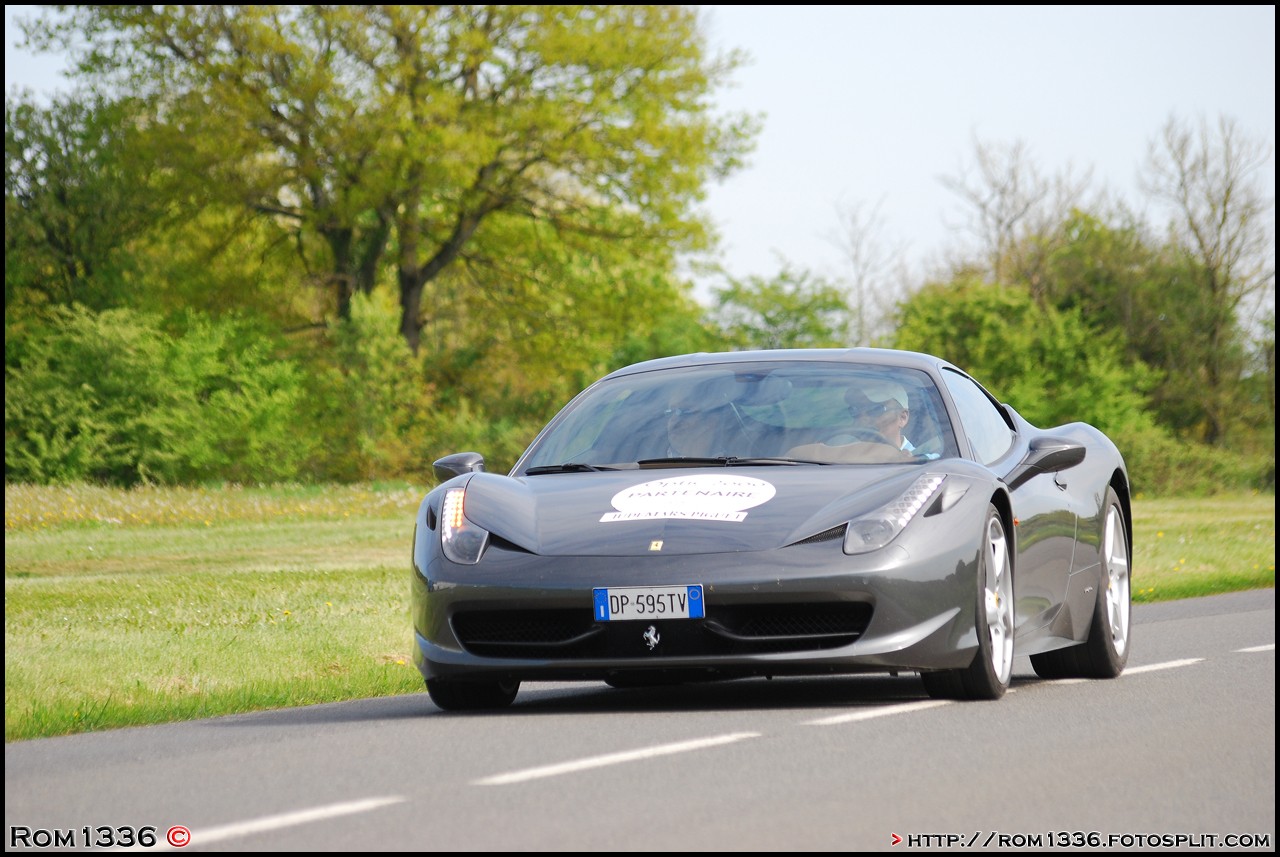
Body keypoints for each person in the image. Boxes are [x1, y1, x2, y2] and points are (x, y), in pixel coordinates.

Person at [842, 380, 917, 453]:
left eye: (875, 409)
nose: (862, 418)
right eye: (855, 410)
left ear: (902, 417)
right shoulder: (845, 456)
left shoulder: (922, 462)